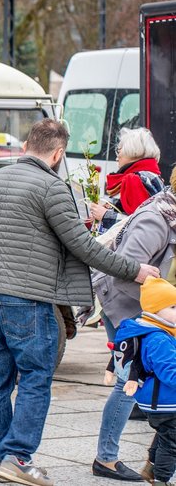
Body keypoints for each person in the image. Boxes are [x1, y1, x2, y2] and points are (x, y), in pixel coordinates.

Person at [0, 118, 160, 485]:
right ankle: (18, 458)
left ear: (25, 146)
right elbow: (82, 246)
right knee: (36, 377)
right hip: (30, 299)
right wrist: (134, 270)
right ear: (57, 153)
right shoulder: (52, 187)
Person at [91, 165, 176, 482]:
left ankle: (156, 461)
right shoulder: (157, 218)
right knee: (128, 380)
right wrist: (160, 306)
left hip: (158, 307)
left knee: (163, 378)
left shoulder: (173, 213)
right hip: (127, 302)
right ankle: (106, 458)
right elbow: (123, 265)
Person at [114, 278, 176, 485]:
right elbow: (170, 374)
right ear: (155, 310)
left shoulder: (153, 332)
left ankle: (151, 467)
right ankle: (161, 479)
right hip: (166, 401)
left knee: (165, 434)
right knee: (172, 441)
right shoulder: (159, 338)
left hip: (157, 401)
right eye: (173, 306)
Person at [89, 127, 165, 235]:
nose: (117, 157)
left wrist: (105, 215)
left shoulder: (135, 180)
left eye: (119, 151)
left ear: (132, 152)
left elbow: (139, 225)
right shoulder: (151, 175)